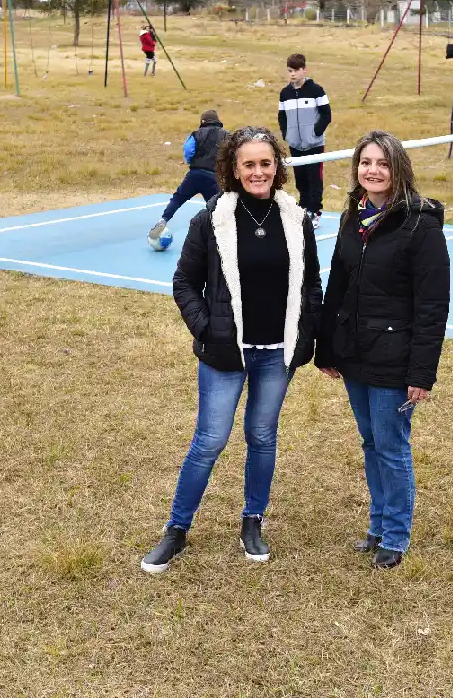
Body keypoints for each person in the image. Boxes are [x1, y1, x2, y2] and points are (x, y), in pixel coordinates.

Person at [141, 126, 323, 574]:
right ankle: (177, 530)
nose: (259, 171)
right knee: (209, 441)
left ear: (277, 167)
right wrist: (208, 330)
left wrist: (305, 336)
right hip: (226, 354)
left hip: (276, 354)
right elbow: (184, 282)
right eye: (249, 164)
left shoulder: (296, 220)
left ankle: (253, 520)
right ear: (233, 169)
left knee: (262, 437)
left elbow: (312, 285)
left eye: (266, 163)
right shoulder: (211, 218)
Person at [315, 131, 450, 569]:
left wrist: (420, 373)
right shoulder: (351, 220)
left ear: (398, 170)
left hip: (394, 359)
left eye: (382, 163)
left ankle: (396, 533)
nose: (372, 170)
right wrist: (326, 348)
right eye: (366, 162)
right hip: (354, 353)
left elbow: (432, 306)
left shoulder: (420, 225)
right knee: (371, 441)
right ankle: (377, 525)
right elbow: (337, 284)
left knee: (392, 447)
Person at [148, 110, 228, 241]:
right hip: (213, 177)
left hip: (194, 174)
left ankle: (164, 219)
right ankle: (220, 234)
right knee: (217, 206)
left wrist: (193, 162)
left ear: (203, 122)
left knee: (178, 198)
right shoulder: (226, 135)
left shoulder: (196, 134)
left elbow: (188, 149)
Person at [277, 53, 330, 228]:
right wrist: (287, 134)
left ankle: (315, 212)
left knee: (314, 179)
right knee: (301, 179)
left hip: (314, 144)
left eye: (296, 70)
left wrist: (315, 132)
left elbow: (326, 115)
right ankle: (304, 208)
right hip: (295, 145)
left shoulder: (317, 91)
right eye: (289, 70)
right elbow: (282, 116)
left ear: (304, 70)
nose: (292, 74)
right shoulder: (285, 94)